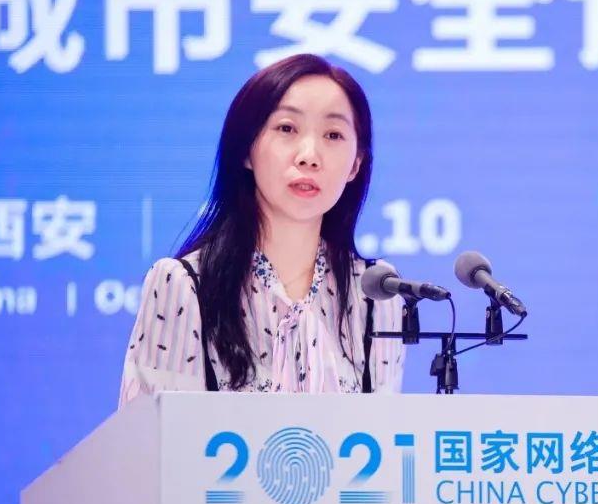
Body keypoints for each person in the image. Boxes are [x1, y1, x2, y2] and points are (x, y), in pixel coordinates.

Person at [119, 54, 405, 407]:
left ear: (355, 165)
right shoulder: (184, 285)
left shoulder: (375, 294)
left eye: (333, 134)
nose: (309, 155)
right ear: (246, 150)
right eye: (287, 129)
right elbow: (150, 436)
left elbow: (383, 435)